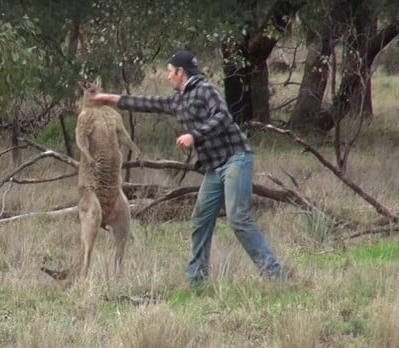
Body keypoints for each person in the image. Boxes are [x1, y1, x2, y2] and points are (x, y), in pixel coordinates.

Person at [90, 49, 286, 283]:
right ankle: (197, 279)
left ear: (181, 72)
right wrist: (111, 99)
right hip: (214, 167)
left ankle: (275, 274)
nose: (168, 76)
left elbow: (223, 117)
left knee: (238, 218)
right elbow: (150, 103)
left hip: (235, 159)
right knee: (201, 218)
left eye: (170, 72)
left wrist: (194, 135)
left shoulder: (206, 91)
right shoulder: (179, 99)